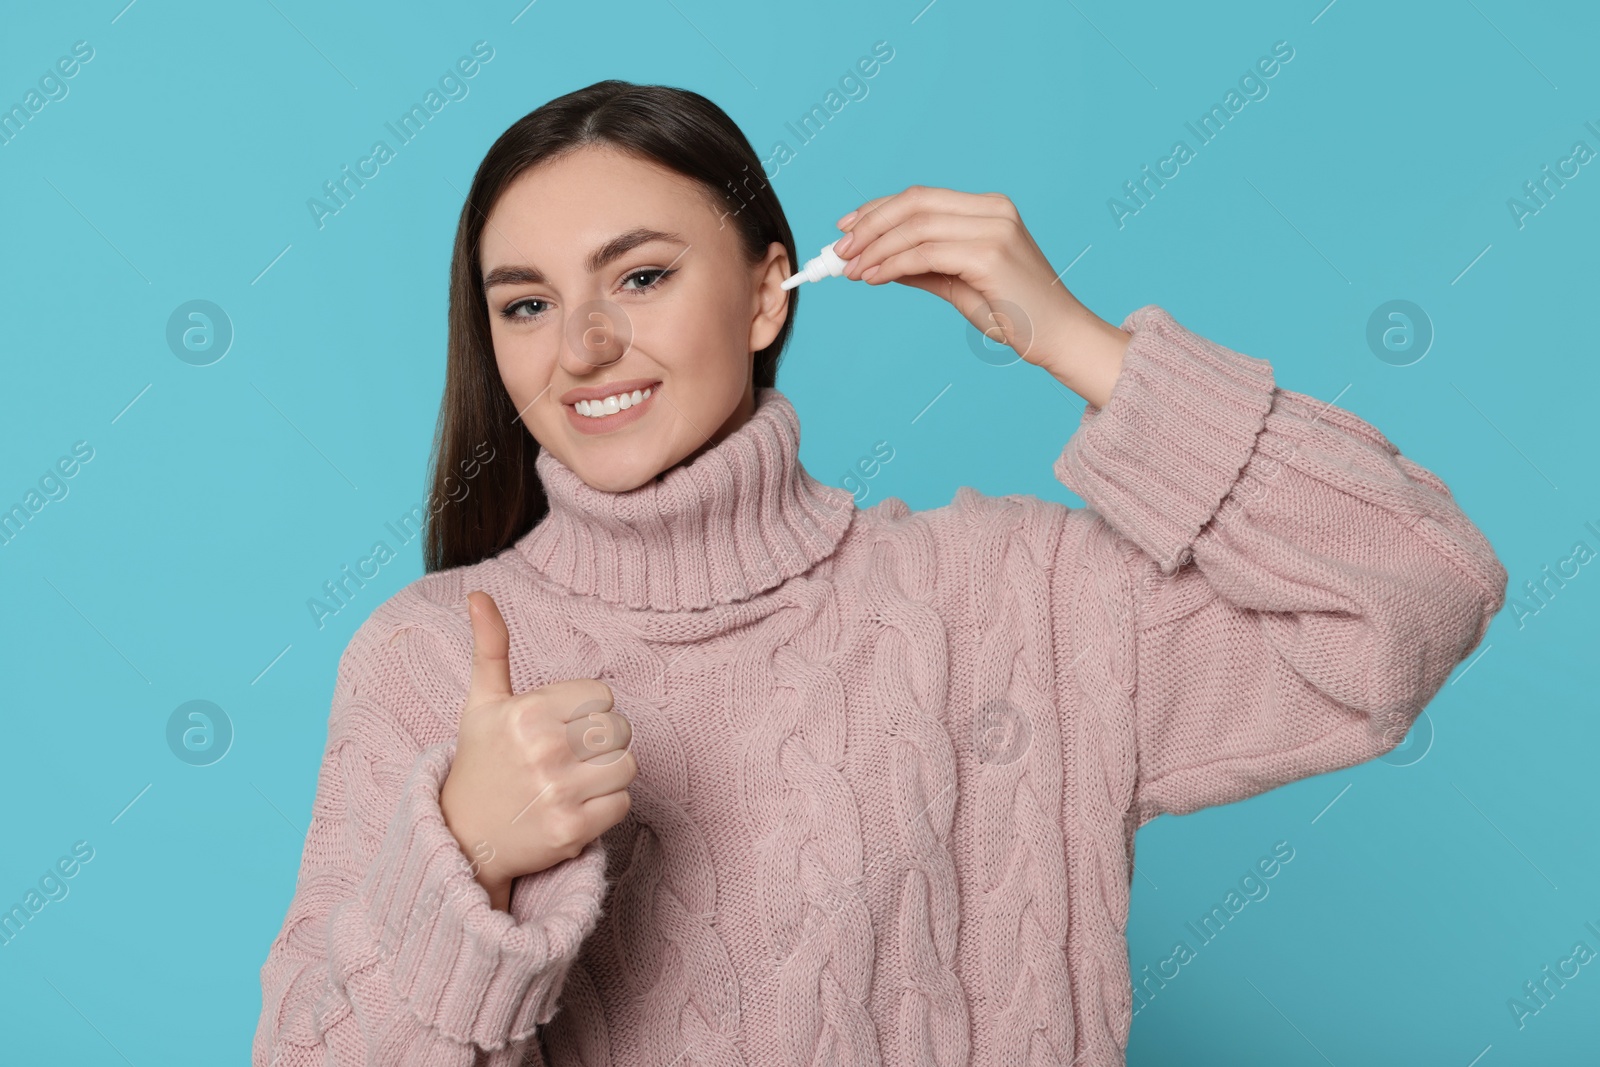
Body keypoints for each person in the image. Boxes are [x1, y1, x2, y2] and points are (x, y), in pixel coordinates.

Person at [252, 80, 1508, 1067]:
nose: (581, 345)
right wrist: (464, 857)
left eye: (642, 276)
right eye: (523, 305)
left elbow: (1416, 584)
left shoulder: (1014, 600)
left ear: (764, 295)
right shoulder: (437, 657)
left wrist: (1076, 341)